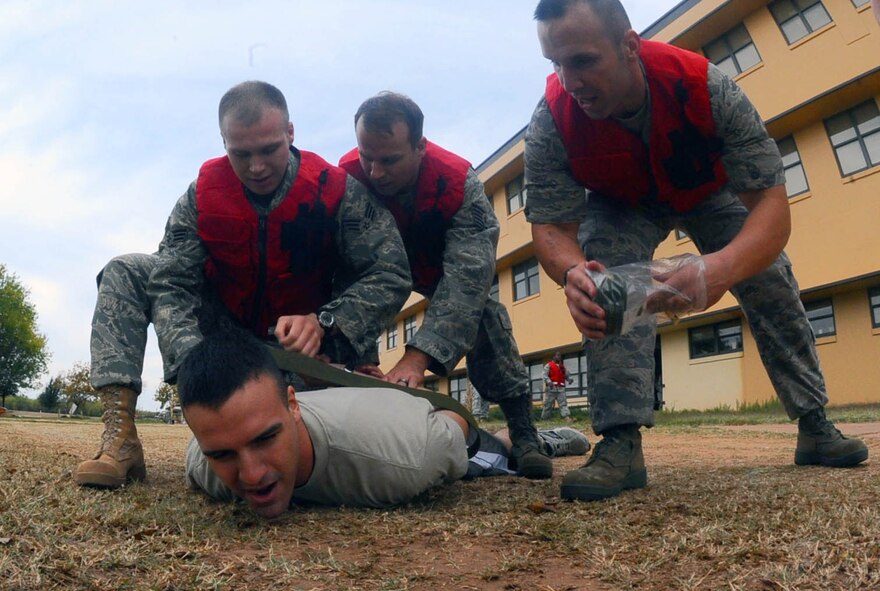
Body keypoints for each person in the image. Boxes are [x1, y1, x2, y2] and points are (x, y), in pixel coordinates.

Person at [524, 0, 869, 501]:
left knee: (767, 269)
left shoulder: (705, 86)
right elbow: (551, 228)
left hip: (708, 191)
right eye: (555, 64)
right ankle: (621, 442)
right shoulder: (552, 118)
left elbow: (772, 208)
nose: (569, 80)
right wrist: (573, 272)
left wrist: (719, 269)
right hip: (623, 204)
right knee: (606, 277)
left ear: (628, 47)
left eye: (582, 61)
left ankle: (814, 423)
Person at [74, 81, 411, 489]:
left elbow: (390, 273)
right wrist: (195, 364)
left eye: (269, 149)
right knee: (126, 269)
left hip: (302, 352)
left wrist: (325, 322)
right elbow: (171, 282)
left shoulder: (336, 193)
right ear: (224, 143)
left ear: (290, 133)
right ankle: (120, 439)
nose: (256, 167)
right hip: (222, 334)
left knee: (335, 422)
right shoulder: (201, 196)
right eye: (241, 154)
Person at [337, 92, 553, 479]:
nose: (376, 171)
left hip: (443, 266)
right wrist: (361, 361)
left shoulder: (457, 183)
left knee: (485, 315)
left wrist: (418, 358)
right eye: (367, 156)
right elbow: (347, 269)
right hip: (381, 268)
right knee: (344, 299)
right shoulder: (349, 179)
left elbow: (467, 282)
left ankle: (523, 432)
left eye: (389, 160)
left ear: (420, 146)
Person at [180, 329, 471, 518]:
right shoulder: (203, 466)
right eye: (222, 454)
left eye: (265, 439)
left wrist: (416, 399)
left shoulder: (410, 456)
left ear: (293, 405)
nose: (252, 476)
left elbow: (456, 422)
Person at [541, 351, 574, 420]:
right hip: (551, 388)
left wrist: (569, 379)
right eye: (558, 355)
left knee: (563, 403)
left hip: (561, 389)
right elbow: (544, 375)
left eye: (560, 356)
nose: (559, 357)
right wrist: (549, 382)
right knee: (548, 404)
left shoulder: (562, 367)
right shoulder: (549, 365)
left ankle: (566, 417)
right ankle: (545, 418)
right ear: (554, 357)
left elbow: (566, 375)